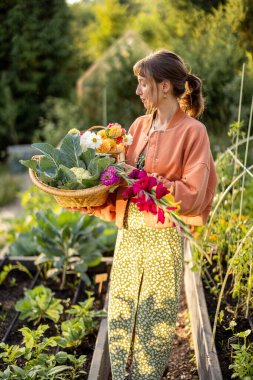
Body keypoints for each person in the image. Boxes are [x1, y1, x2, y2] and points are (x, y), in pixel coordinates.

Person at [68, 49, 218, 380]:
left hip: (162, 240)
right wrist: (86, 188)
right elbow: (120, 183)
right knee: (120, 316)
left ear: (165, 86)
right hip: (129, 236)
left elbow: (192, 195)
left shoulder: (193, 132)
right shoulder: (138, 126)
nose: (137, 91)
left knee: (155, 324)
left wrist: (136, 177)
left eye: (142, 83)